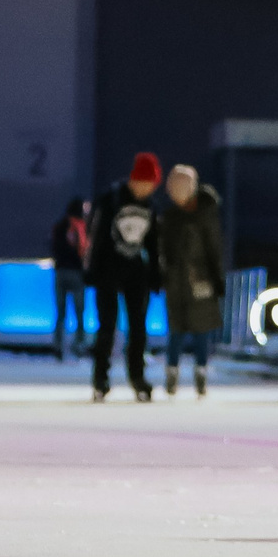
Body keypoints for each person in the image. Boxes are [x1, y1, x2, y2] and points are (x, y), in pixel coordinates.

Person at [87, 155, 163, 402]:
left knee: (138, 328)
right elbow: (96, 234)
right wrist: (92, 268)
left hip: (135, 272)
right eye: (146, 183)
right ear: (136, 179)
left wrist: (155, 272)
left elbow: (152, 242)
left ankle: (138, 378)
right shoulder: (111, 199)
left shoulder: (150, 206)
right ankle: (101, 379)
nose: (149, 188)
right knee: (107, 326)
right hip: (108, 269)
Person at [159, 163, 225, 397]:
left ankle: (200, 373)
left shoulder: (204, 215)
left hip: (201, 281)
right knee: (176, 331)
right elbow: (163, 250)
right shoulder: (170, 217)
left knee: (201, 331)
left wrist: (217, 279)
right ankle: (173, 372)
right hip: (176, 283)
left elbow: (213, 248)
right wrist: (161, 276)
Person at [49, 197, 89, 360]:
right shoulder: (81, 226)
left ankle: (58, 345)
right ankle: (79, 344)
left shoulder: (59, 226)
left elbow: (54, 247)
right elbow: (84, 249)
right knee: (80, 312)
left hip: (60, 272)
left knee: (61, 312)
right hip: (77, 273)